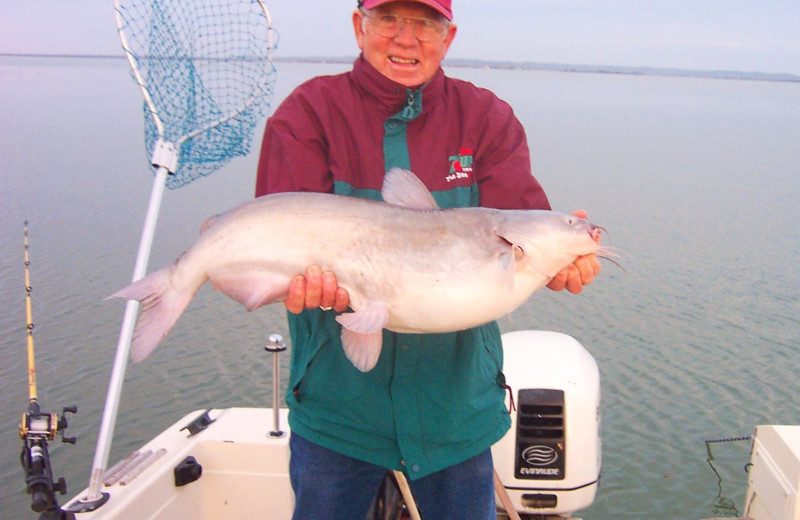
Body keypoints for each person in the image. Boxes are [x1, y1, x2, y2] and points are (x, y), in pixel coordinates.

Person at [255, 1, 601, 518]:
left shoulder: (486, 117)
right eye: (389, 19)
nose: (406, 38)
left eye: (425, 23)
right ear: (359, 28)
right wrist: (296, 284)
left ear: (448, 36)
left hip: (455, 408)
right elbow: (275, 235)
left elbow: (526, 218)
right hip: (336, 406)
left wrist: (561, 260)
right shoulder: (307, 113)